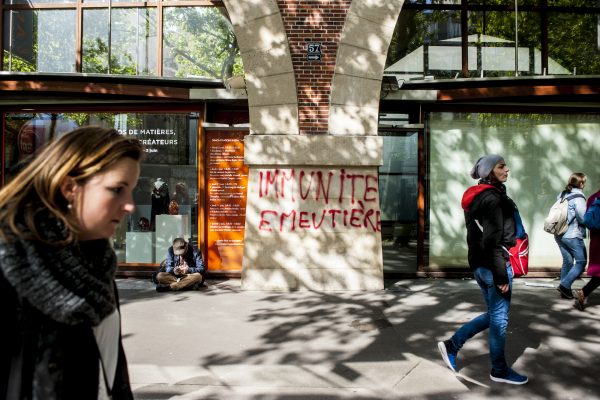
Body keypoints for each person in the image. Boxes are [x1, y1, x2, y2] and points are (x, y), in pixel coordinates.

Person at [0, 127, 141, 399]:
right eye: (117, 190)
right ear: (69, 188)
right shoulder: (12, 267)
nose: (130, 205)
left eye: (131, 190)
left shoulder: (97, 265)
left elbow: (112, 369)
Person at [437, 154, 528, 385]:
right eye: (501, 166)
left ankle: (452, 345)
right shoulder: (493, 199)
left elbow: (476, 236)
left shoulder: (477, 197)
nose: (507, 169)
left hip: (480, 264)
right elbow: (492, 240)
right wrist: (500, 274)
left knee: (494, 315)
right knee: (499, 319)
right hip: (494, 265)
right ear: (489, 172)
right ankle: (498, 369)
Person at [554, 173, 587, 299]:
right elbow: (582, 218)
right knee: (581, 262)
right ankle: (565, 285)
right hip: (572, 235)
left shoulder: (562, 194)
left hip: (559, 233)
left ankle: (564, 289)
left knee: (567, 261)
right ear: (581, 184)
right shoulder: (579, 197)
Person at [574, 186, 600, 310]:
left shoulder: (593, 198)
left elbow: (587, 220)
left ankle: (584, 292)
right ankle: (584, 292)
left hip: (596, 239)